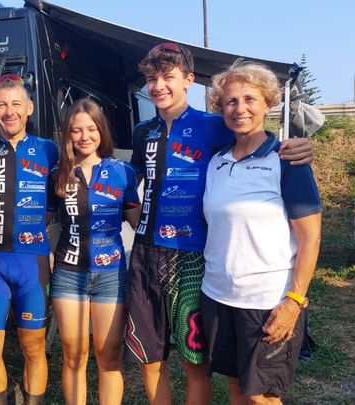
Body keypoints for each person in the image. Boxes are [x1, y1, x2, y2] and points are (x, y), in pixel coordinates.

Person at [124, 43, 315, 405]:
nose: (159, 86)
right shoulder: (141, 132)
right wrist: (140, 225)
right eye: (151, 79)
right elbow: (130, 190)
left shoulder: (214, 126)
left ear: (189, 80)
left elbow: (257, 135)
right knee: (150, 361)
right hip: (149, 256)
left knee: (195, 362)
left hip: (192, 259)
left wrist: (301, 149)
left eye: (168, 77)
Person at [200, 60, 321, 405]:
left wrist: (294, 302)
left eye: (250, 99)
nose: (240, 109)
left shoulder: (286, 160)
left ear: (268, 103)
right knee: (237, 388)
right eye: (231, 101)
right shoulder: (216, 161)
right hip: (219, 296)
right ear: (220, 108)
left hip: (268, 300)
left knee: (262, 398)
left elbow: (310, 237)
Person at [0, 74, 59, 404]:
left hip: (32, 262)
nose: (10, 112)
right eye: (2, 105)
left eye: (16, 104)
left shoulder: (48, 150)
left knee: (32, 346)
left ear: (29, 108)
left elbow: (59, 198)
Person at [47, 99, 140, 405]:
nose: (85, 136)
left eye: (91, 128)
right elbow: (43, 224)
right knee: (73, 354)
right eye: (76, 130)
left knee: (108, 354)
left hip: (111, 274)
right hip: (68, 274)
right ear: (68, 134)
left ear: (102, 130)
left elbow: (138, 222)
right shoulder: (57, 174)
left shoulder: (123, 172)